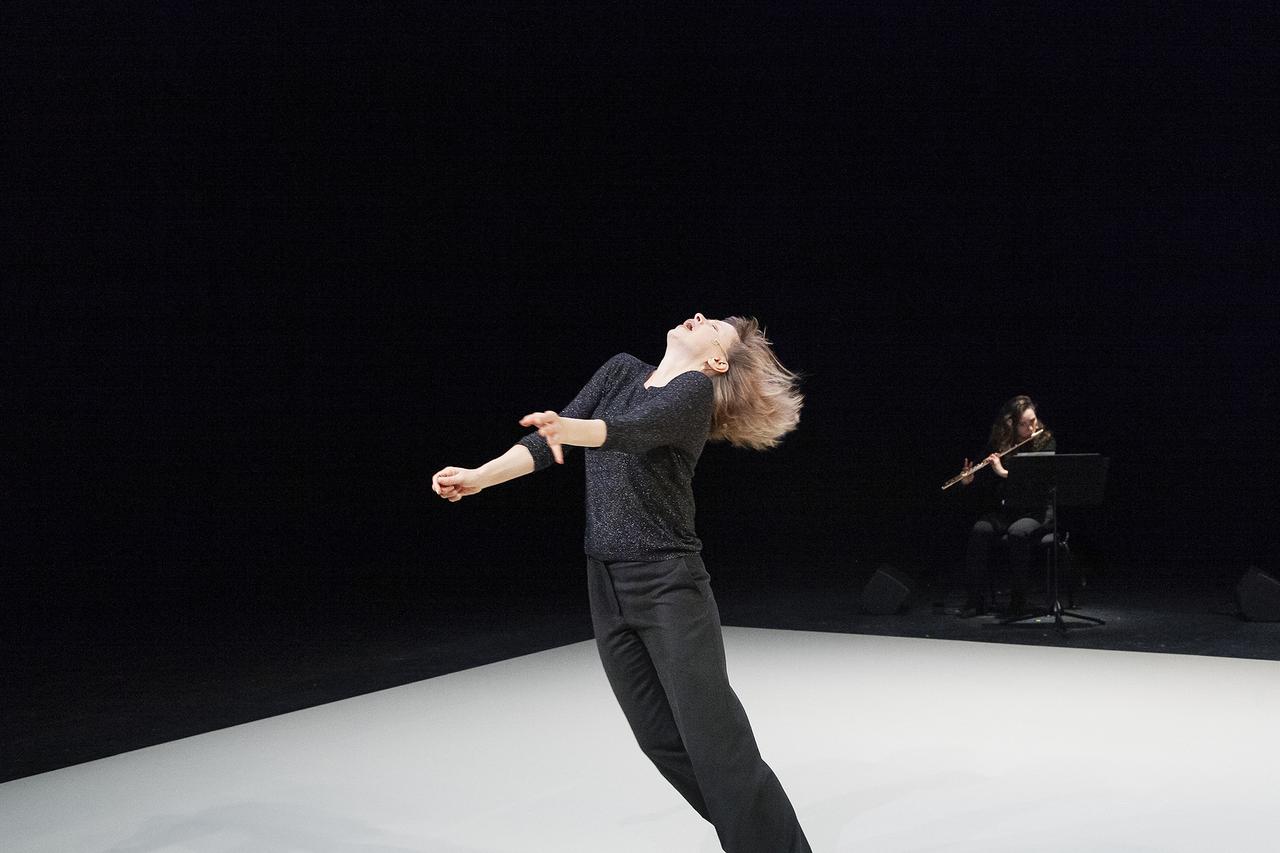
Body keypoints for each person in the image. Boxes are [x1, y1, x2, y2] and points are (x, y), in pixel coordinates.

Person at [431, 313, 812, 853]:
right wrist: (476, 478)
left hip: (669, 585)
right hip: (604, 581)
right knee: (659, 739)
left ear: (716, 360)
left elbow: (629, 433)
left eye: (714, 328)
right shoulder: (619, 372)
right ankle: (757, 838)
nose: (698, 316)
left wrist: (569, 430)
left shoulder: (692, 394)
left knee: (717, 745)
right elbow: (548, 441)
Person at [957, 395, 1057, 618]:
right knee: (980, 531)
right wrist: (969, 480)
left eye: (1033, 421)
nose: (1031, 427)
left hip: (1037, 510)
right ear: (1011, 423)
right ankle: (975, 600)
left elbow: (1036, 481)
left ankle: (1018, 601)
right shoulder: (1000, 442)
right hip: (1008, 510)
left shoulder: (1046, 441)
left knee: (1017, 533)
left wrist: (1003, 472)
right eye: (1024, 424)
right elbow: (987, 481)